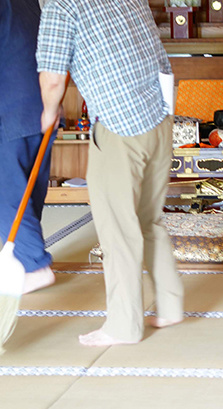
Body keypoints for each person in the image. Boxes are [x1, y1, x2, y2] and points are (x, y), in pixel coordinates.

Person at [37, 0, 184, 347]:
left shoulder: (61, 6)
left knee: (117, 229)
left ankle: (124, 325)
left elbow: (53, 79)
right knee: (148, 220)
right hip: (160, 118)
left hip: (120, 128)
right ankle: (171, 304)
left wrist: (48, 111)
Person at [0, 0, 56, 294]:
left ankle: (34, 265)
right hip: (42, 104)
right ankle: (25, 258)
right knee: (28, 186)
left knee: (6, 191)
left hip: (8, 105)